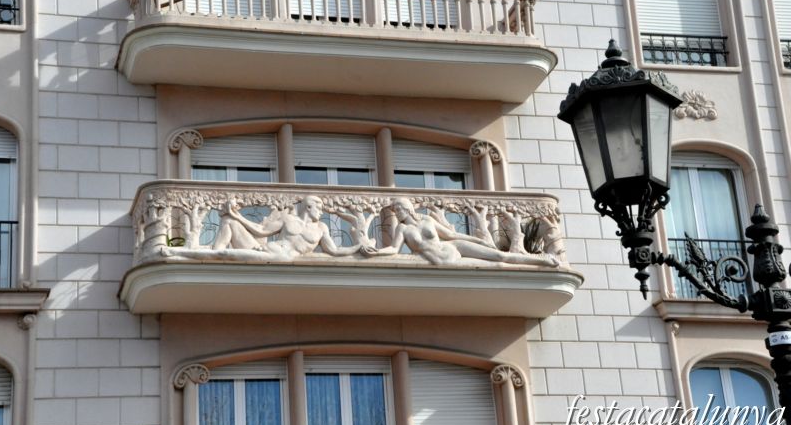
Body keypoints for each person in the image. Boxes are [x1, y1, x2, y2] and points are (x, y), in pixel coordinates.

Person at [360, 197, 559, 267]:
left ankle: (542, 260)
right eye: (395, 211)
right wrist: (376, 252)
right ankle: (540, 260)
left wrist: (479, 241)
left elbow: (452, 235)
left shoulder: (427, 219)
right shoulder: (403, 229)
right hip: (439, 260)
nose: (397, 213)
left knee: (499, 256)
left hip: (451, 247)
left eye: (399, 209)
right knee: (497, 263)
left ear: (408, 208)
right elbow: (394, 249)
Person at [162, 195, 361, 262]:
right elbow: (260, 231)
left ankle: (176, 252)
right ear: (309, 206)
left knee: (226, 253)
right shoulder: (288, 220)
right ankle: (203, 253)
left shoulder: (321, 228)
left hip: (280, 257)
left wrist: (357, 247)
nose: (322, 211)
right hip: (264, 248)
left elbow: (334, 250)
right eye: (319, 207)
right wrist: (238, 216)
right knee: (229, 223)